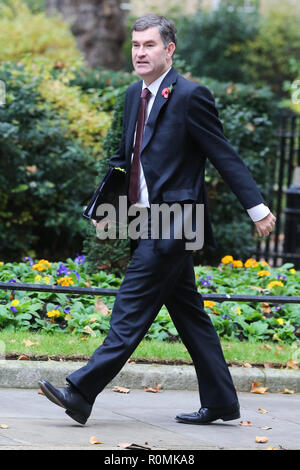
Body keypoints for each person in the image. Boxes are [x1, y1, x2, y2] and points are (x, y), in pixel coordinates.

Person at [38, 14, 276, 426]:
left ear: (169, 50)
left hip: (176, 223)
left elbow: (223, 154)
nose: (140, 52)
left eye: (149, 45)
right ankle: (221, 401)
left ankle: (80, 392)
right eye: (135, 45)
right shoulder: (134, 95)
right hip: (143, 221)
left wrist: (257, 208)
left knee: (129, 308)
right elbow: (123, 161)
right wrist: (103, 209)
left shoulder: (190, 96)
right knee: (190, 315)